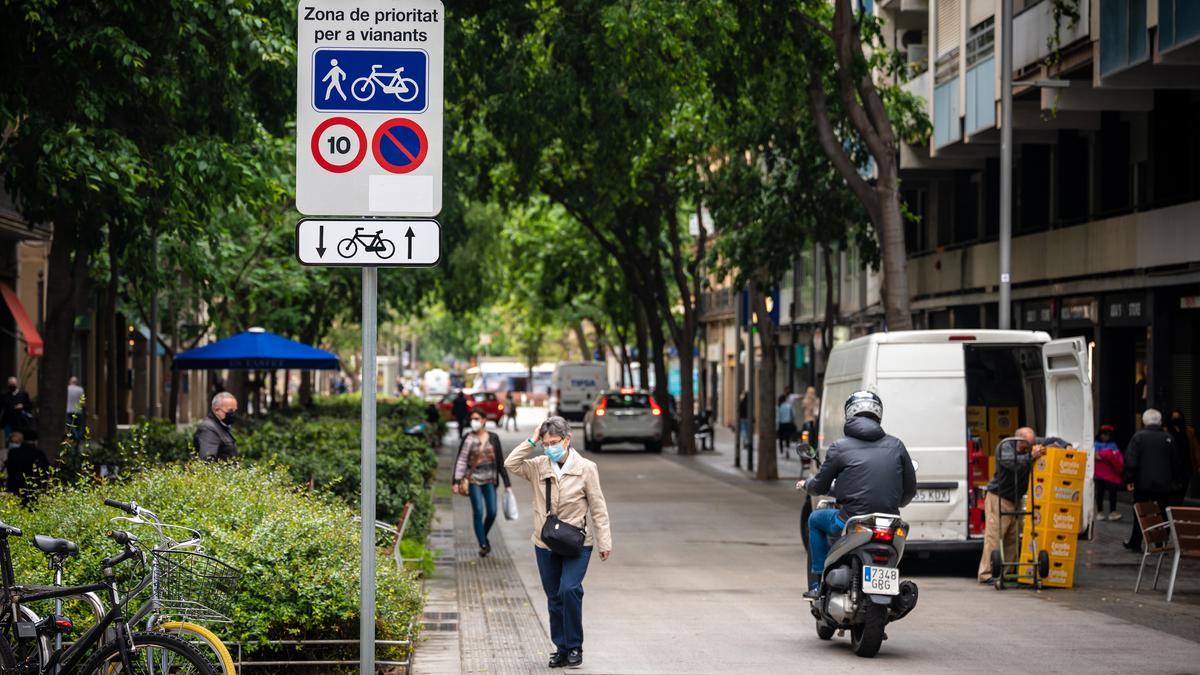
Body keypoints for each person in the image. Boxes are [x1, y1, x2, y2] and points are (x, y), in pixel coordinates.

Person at [504, 416, 612, 670]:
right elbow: (511, 463)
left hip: (577, 542)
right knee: (554, 597)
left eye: (555, 442)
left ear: (567, 440)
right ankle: (561, 648)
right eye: (546, 443)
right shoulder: (539, 465)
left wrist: (604, 541)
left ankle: (575, 646)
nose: (550, 446)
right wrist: (531, 440)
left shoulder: (586, 468)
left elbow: (598, 508)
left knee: (569, 589)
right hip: (546, 542)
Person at [798, 391, 916, 598]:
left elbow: (820, 486)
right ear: (878, 415)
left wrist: (807, 484)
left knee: (815, 519)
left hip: (851, 519)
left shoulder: (839, 447)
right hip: (889, 521)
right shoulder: (896, 445)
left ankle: (816, 582)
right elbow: (910, 490)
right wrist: (896, 503)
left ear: (849, 414)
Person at [976, 427, 1058, 583]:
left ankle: (1005, 574)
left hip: (1016, 498)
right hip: (998, 497)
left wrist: (1064, 445)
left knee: (1013, 538)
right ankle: (986, 574)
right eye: (1027, 445)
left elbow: (1052, 440)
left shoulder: (1029, 443)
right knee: (994, 537)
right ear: (1020, 441)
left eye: (1032, 444)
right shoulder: (1005, 447)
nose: (1031, 446)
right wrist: (1031, 456)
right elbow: (1012, 463)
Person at [453, 409, 512, 557]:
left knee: (492, 512)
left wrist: (507, 483)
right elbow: (461, 460)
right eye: (472, 418)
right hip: (473, 481)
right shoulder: (467, 438)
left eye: (477, 418)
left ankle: (482, 535)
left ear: (484, 420)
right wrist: (456, 481)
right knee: (478, 511)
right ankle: (483, 544)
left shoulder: (493, 437)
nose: (474, 421)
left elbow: (500, 461)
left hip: (490, 480)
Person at [1124, 409, 1182, 552]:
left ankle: (1136, 542)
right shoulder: (1168, 438)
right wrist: (1175, 480)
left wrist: (1130, 479)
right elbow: (1176, 462)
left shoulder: (1138, 437)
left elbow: (1131, 460)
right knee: (1162, 513)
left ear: (1144, 421)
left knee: (1140, 512)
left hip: (1142, 483)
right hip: (1164, 484)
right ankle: (1160, 542)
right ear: (1160, 421)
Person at [4, 431, 48, 506]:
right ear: (35, 441)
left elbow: (9, 470)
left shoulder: (13, 452)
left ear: (23, 440)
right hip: (34, 490)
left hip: (16, 488)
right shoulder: (39, 454)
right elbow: (45, 472)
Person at [194, 392, 239, 461]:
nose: (233, 414)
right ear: (217, 410)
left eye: (235, 410)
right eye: (230, 410)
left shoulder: (222, 426)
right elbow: (208, 460)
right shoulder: (208, 429)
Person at [1093, 424, 1124, 521]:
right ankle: (1099, 511)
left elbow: (1116, 457)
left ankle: (1113, 512)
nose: (1105, 437)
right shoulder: (1095, 444)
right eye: (1104, 434)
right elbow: (1094, 456)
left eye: (1107, 435)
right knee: (1100, 492)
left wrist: (1103, 456)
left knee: (1113, 492)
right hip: (1100, 474)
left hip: (1111, 473)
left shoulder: (1113, 444)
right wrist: (1108, 456)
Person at [1166, 410, 1199, 501]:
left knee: (1181, 492)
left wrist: (1198, 464)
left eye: (1178, 417)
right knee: (1171, 493)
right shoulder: (1165, 431)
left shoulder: (1189, 431)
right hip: (1170, 468)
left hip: (1186, 466)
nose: (1176, 419)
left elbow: (1195, 448)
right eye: (1174, 417)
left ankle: (1177, 508)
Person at [0, 376, 33, 440]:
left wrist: (22, 406)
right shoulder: (4, 396)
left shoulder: (23, 394)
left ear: (16, 384)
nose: (12, 386)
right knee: (8, 439)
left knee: (20, 439)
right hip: (8, 422)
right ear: (8, 384)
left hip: (21, 422)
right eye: (10, 384)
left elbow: (29, 405)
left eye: (13, 384)